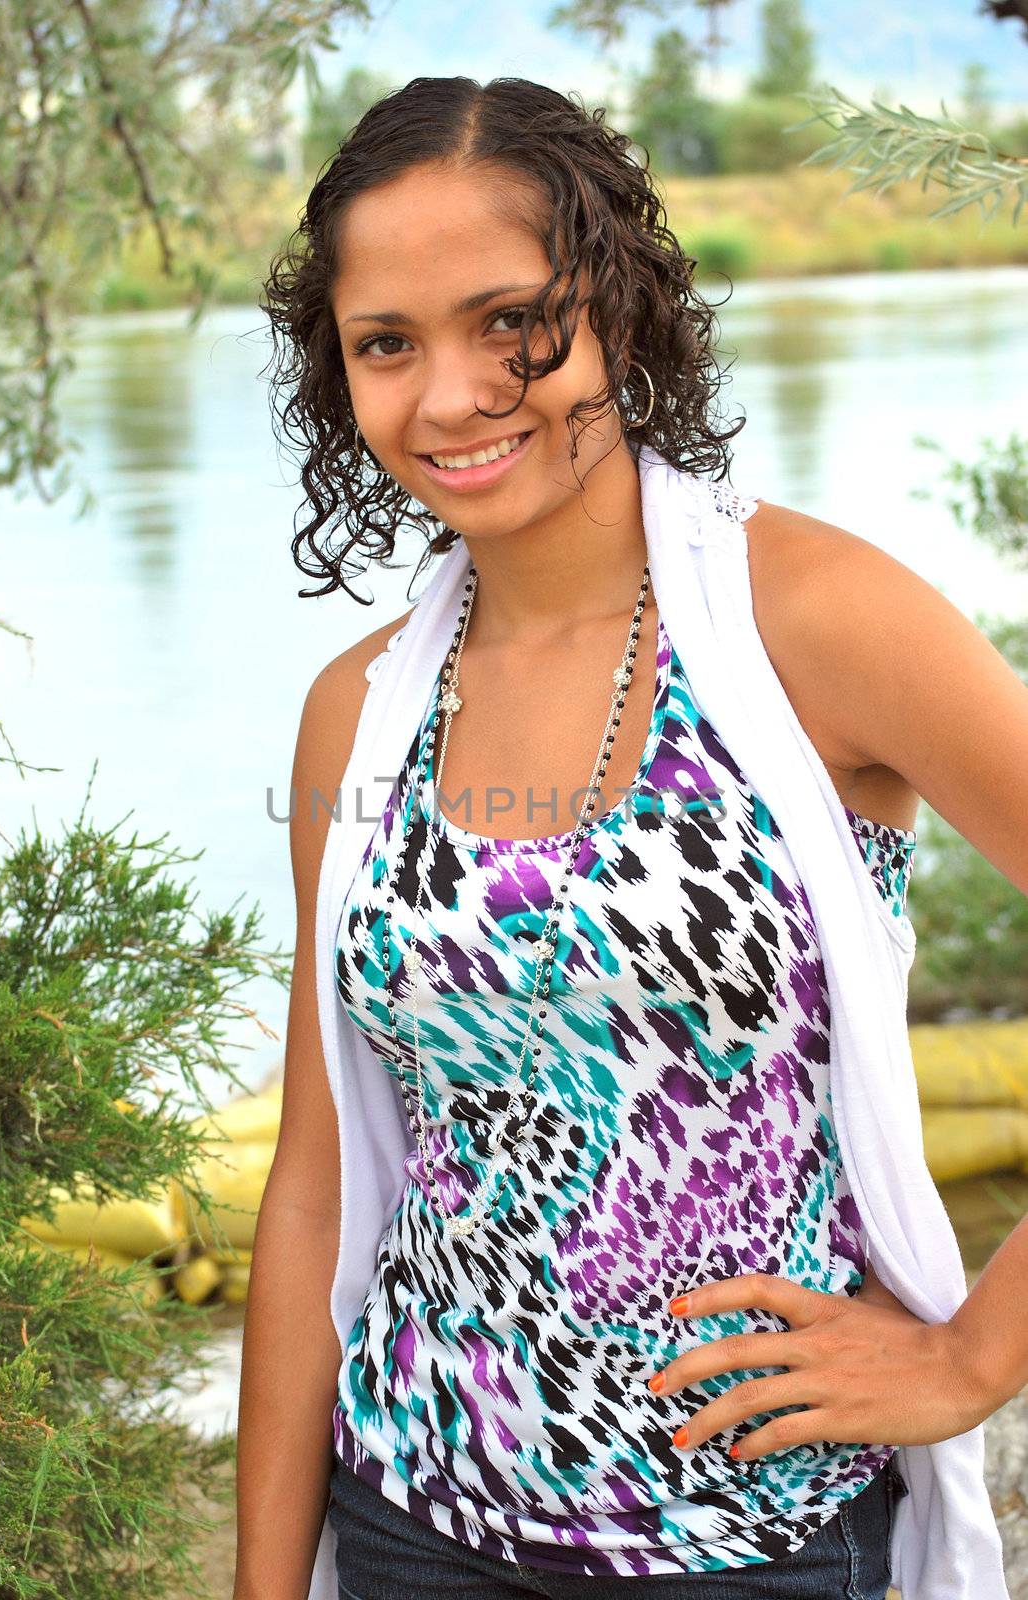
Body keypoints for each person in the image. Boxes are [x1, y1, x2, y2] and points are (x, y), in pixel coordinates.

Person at [233, 76, 1024, 1600]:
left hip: (751, 1546)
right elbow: (314, 1187)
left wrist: (976, 1356)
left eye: (509, 322)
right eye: (386, 344)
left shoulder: (815, 624)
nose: (451, 394)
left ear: (617, 311)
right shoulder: (356, 715)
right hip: (411, 1519)